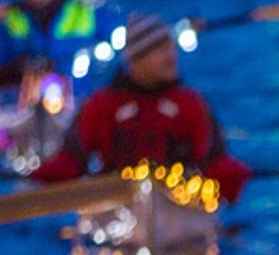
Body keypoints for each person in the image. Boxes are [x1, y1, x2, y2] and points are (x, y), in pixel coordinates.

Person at [31, 14, 250, 200]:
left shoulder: (192, 105)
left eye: (170, 47)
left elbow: (214, 160)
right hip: (117, 203)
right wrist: (47, 175)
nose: (171, 56)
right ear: (136, 59)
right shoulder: (101, 106)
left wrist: (231, 175)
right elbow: (72, 158)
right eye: (159, 49)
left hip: (179, 204)